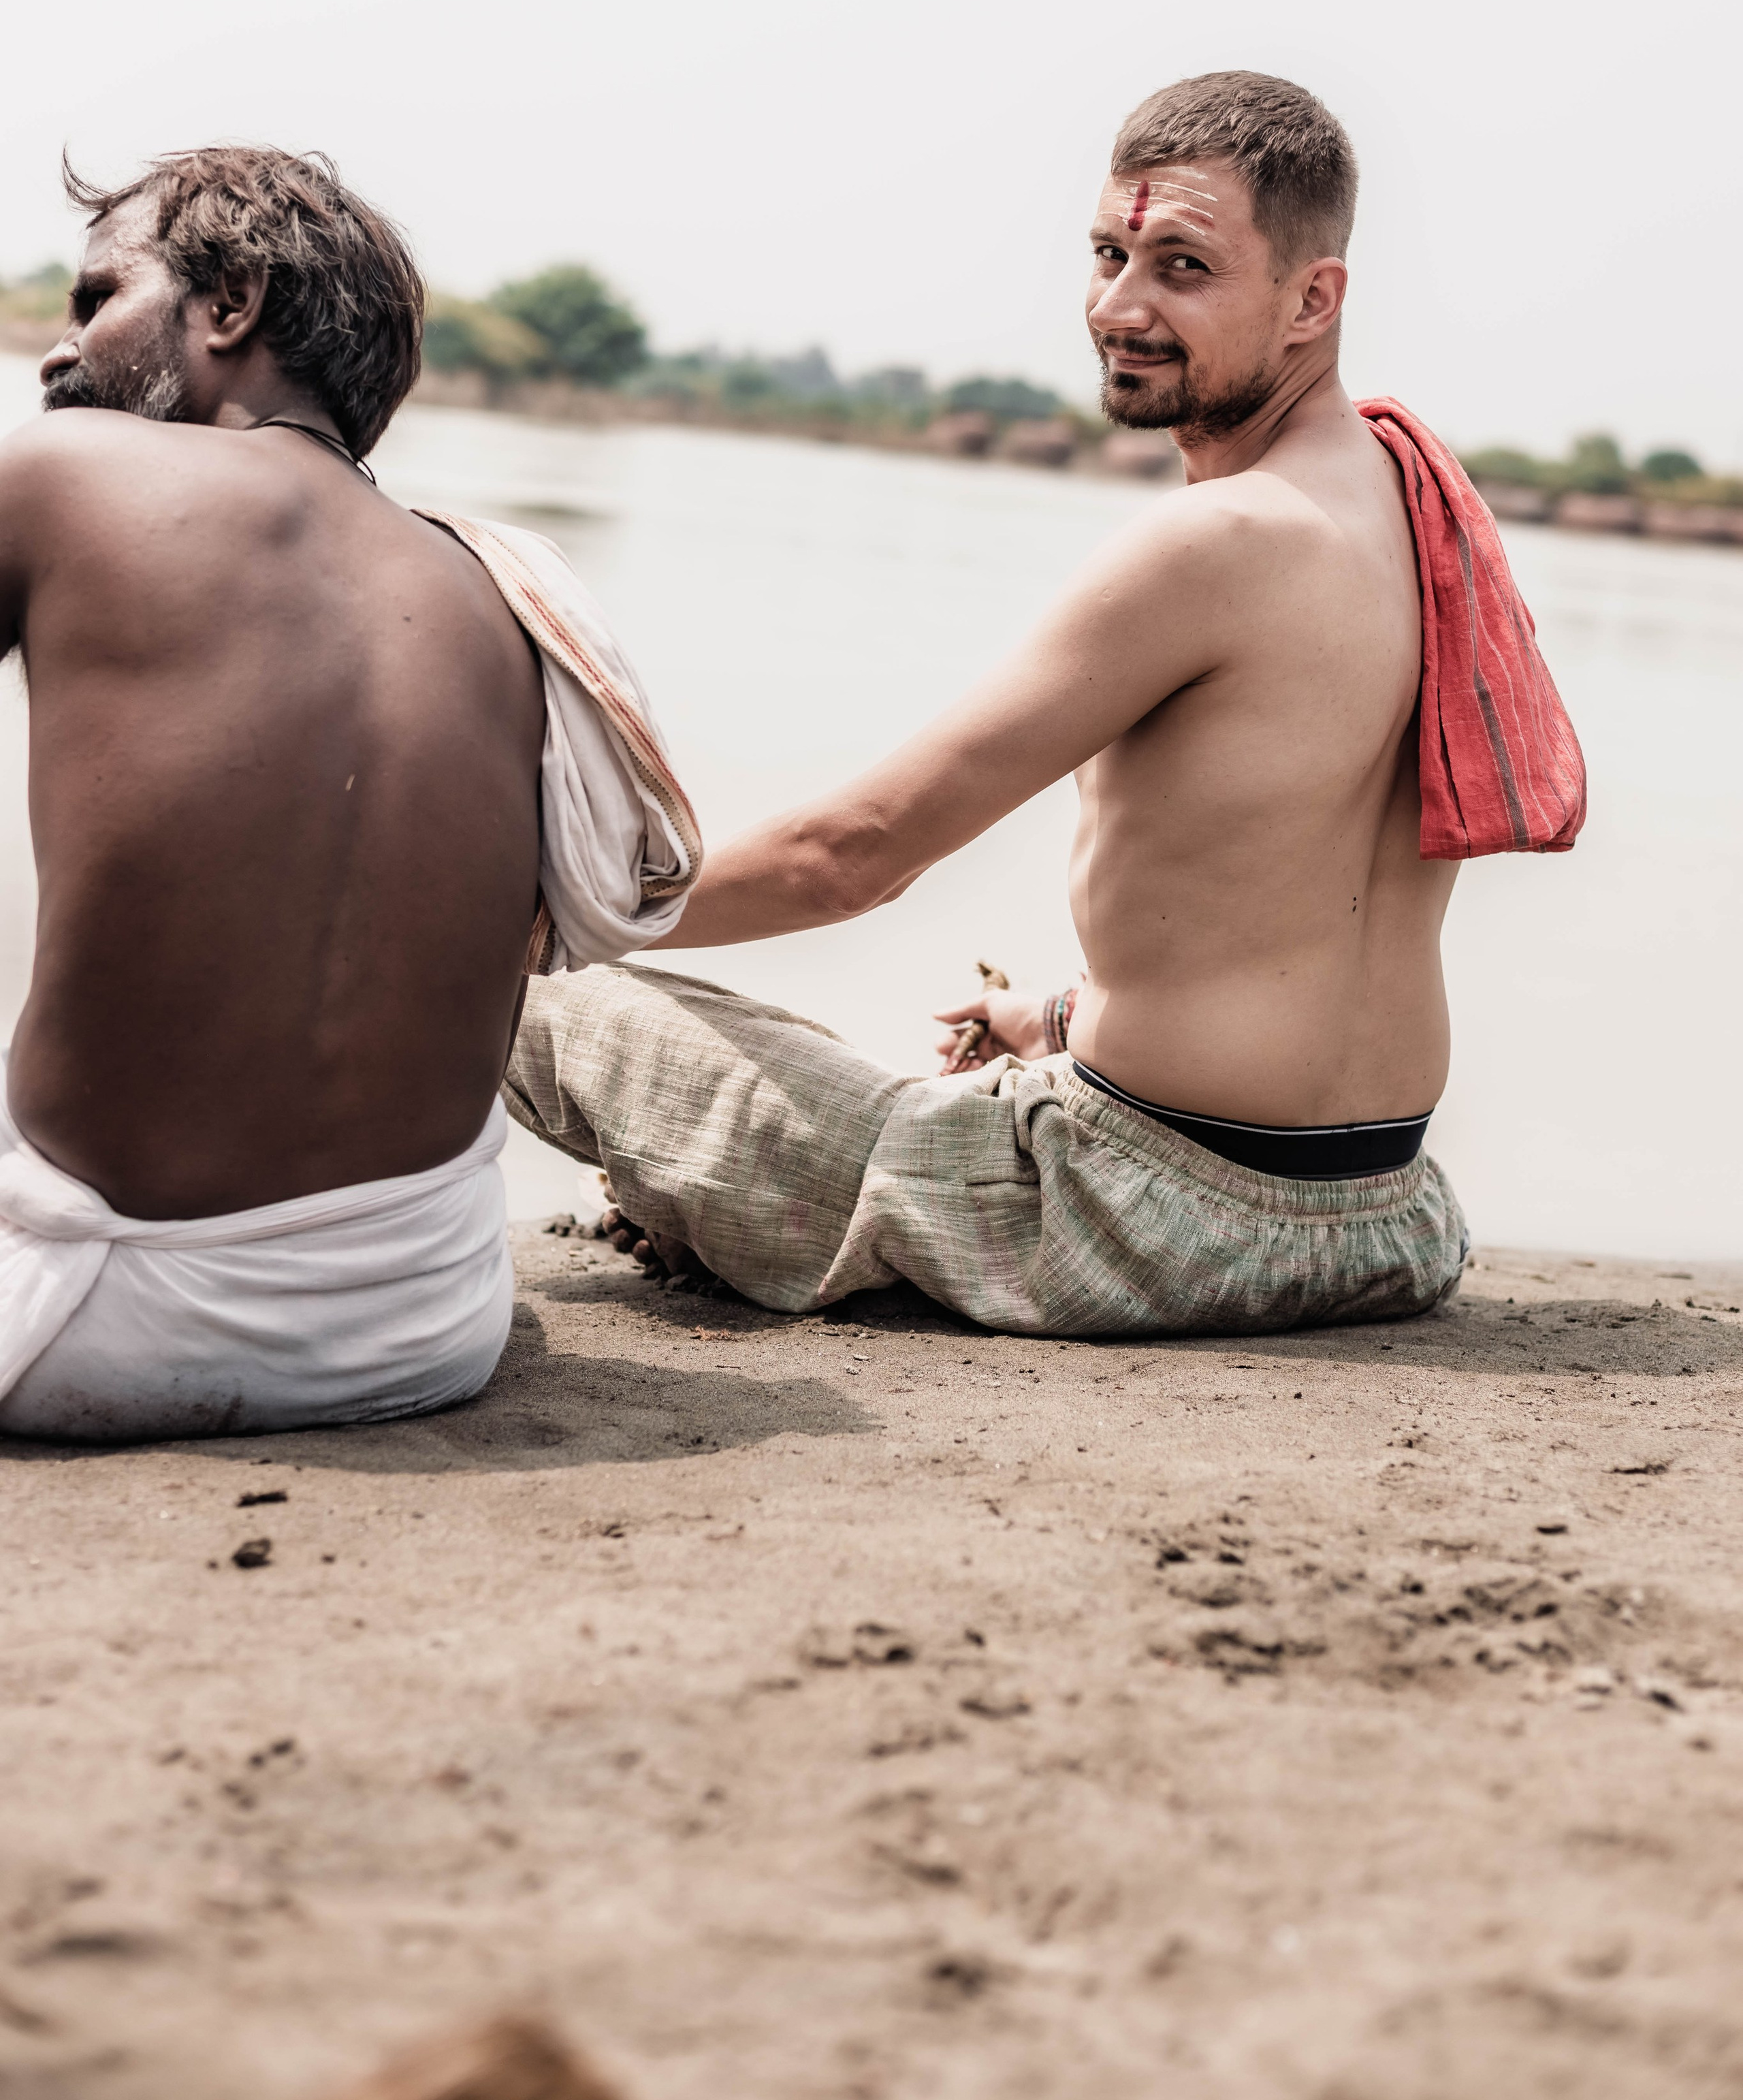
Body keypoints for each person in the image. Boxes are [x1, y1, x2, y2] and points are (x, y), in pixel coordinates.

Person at [505, 71, 1586, 1338]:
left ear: (1313, 299)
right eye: (1109, 253)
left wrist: (541, 917)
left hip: (1146, 1220)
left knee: (517, 986)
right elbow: (1288, 900)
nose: (1120, 306)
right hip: (1386, 1219)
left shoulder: (1218, 541)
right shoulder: (1413, 509)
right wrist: (1061, 1019)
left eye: (1182, 266)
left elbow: (848, 858)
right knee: (768, 1035)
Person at [0, 148, 698, 1440]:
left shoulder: (62, 474)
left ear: (230, 306)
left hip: (91, 1322)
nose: (61, 351)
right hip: (421, 1321)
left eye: (98, 298)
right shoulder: (504, 597)